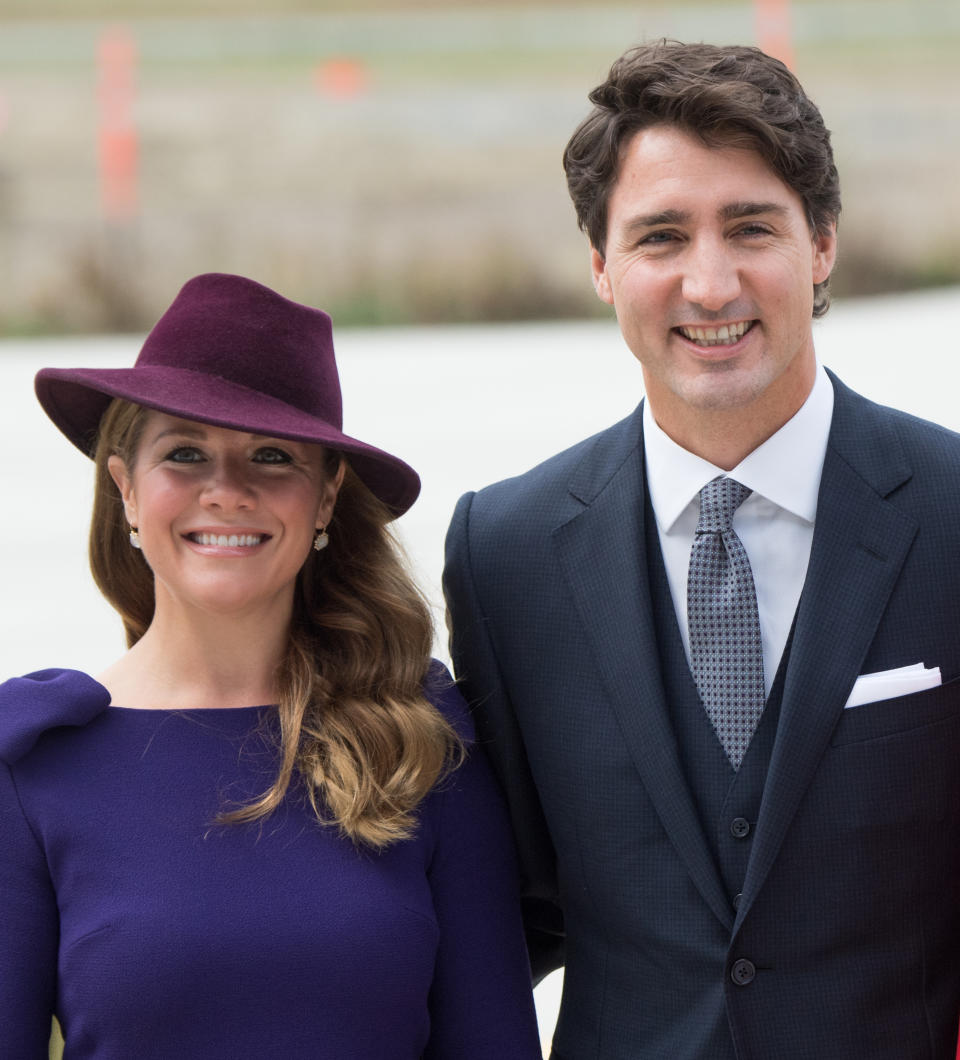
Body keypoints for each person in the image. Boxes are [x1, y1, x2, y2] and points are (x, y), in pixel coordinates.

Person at [444, 40, 960, 1059]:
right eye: (661, 237)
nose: (710, 283)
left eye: (752, 228)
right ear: (602, 266)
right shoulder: (504, 552)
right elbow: (506, 907)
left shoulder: (951, 510)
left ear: (821, 245)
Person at [0, 272, 542, 1059]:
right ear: (124, 490)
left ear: (325, 500)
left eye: (271, 456)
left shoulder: (421, 738)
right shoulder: (35, 761)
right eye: (184, 453)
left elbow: (494, 1043)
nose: (226, 491)